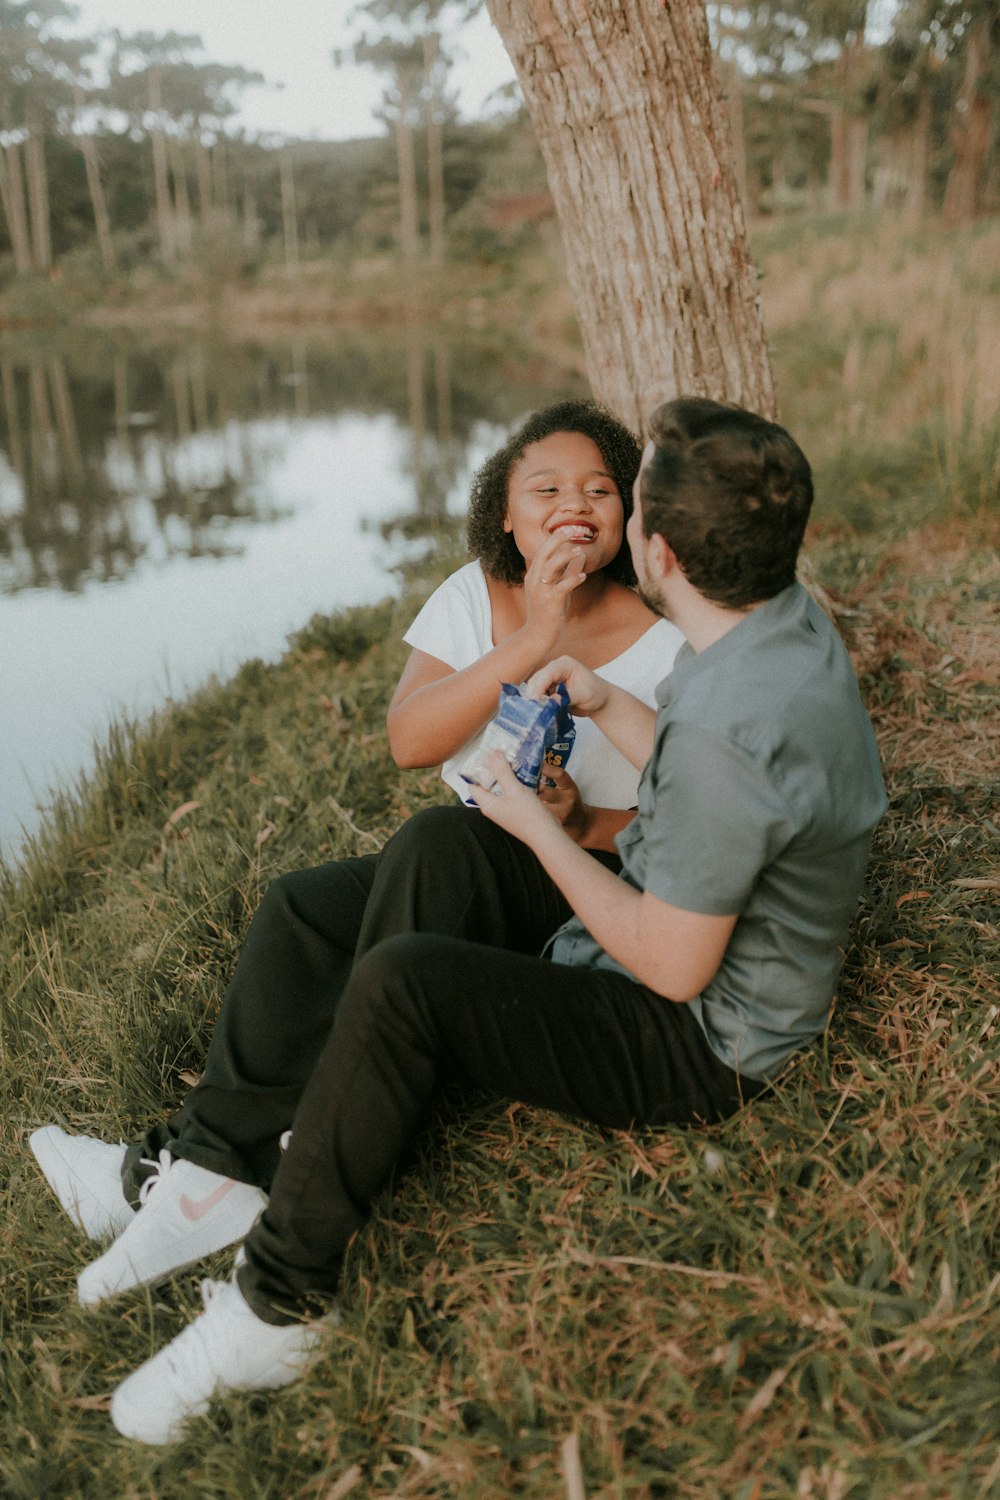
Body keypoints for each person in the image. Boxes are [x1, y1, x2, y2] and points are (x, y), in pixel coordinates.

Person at [81, 395, 889, 1445]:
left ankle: (278, 1300)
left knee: (406, 979)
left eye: (622, 494)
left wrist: (540, 829)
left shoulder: (740, 727)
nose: (596, 512)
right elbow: (695, 761)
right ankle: (225, 1168)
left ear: (661, 551)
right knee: (416, 858)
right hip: (650, 918)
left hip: (696, 1042)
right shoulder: (761, 619)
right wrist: (602, 701)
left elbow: (673, 967)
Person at [30, 401, 683, 1298]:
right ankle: (194, 1171)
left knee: (435, 840)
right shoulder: (474, 595)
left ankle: (239, 1171)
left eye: (600, 488)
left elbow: (675, 821)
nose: (576, 503)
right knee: (304, 908)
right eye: (548, 488)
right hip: (471, 859)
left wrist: (576, 824)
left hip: (576, 884)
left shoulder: (663, 641)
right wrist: (532, 636)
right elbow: (412, 739)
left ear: (626, 515)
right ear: (506, 512)